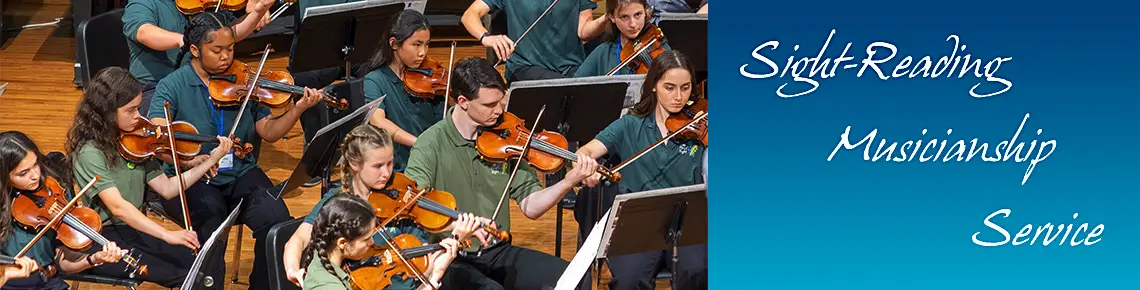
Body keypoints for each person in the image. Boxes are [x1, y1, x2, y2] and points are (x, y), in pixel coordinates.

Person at [146, 11, 322, 289]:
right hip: (194, 178)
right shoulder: (173, 85)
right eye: (217, 50)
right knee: (213, 226)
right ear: (195, 50)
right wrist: (192, 161)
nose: (226, 57)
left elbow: (270, 132)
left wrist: (298, 108)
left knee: (277, 219)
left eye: (230, 48)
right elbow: (158, 140)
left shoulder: (243, 79)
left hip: (240, 171)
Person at [403, 57, 598, 290]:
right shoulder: (429, 144)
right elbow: (413, 205)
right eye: (489, 105)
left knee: (578, 280)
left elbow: (531, 207)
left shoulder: (506, 138)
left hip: (497, 251)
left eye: (501, 102)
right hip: (451, 254)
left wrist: (568, 181)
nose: (499, 111)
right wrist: (460, 225)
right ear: (463, 102)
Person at [66, 67, 232, 288]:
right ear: (106, 111)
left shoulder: (135, 143)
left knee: (207, 263)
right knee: (189, 275)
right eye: (131, 110)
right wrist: (167, 235)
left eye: (138, 107)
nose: (138, 116)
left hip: (135, 230)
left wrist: (209, 162)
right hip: (106, 240)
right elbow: (119, 208)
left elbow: (168, 188)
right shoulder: (90, 153)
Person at [284, 124, 477, 289]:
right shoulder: (339, 205)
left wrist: (457, 237)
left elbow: (421, 262)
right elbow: (298, 239)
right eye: (378, 166)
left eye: (390, 163)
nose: (386, 173)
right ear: (354, 164)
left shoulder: (401, 197)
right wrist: (293, 269)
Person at [577, 50, 706, 290]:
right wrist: (588, 167)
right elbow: (586, 151)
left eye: (686, 88)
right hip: (638, 223)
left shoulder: (701, 128)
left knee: (698, 271)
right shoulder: (629, 125)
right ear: (654, 85)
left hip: (688, 221)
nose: (679, 97)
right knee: (629, 279)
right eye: (669, 88)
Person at [0, 131, 129, 290]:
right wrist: (6, 274)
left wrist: (94, 259)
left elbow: (64, 263)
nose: (35, 176)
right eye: (23, 173)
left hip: (50, 282)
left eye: (36, 164)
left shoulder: (54, 190)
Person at [122, 0, 275, 116]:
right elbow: (143, 32)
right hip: (153, 86)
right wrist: (181, 40)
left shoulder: (200, 4)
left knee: (246, 113)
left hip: (199, 81)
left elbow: (229, 33)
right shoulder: (143, 3)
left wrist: (258, 12)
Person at [300, 193, 464, 290]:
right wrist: (435, 277)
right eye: (366, 239)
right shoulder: (328, 286)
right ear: (342, 243)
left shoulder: (326, 253)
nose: (373, 243)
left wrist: (434, 275)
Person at [360, 10, 445, 172]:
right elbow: (378, 121)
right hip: (400, 166)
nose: (423, 52)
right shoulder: (375, 80)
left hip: (435, 160)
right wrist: (419, 144)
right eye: (416, 45)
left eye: (427, 44)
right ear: (394, 44)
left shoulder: (430, 77)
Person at [461, 0, 609, 82]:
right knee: (563, 92)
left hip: (571, 66)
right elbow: (470, 14)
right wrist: (485, 37)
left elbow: (583, 31)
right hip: (527, 66)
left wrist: (605, 18)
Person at [574, 0, 671, 77]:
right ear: (612, 17)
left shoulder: (659, 45)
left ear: (646, 12)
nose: (633, 24)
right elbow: (576, 87)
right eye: (624, 17)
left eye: (638, 14)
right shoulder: (602, 53)